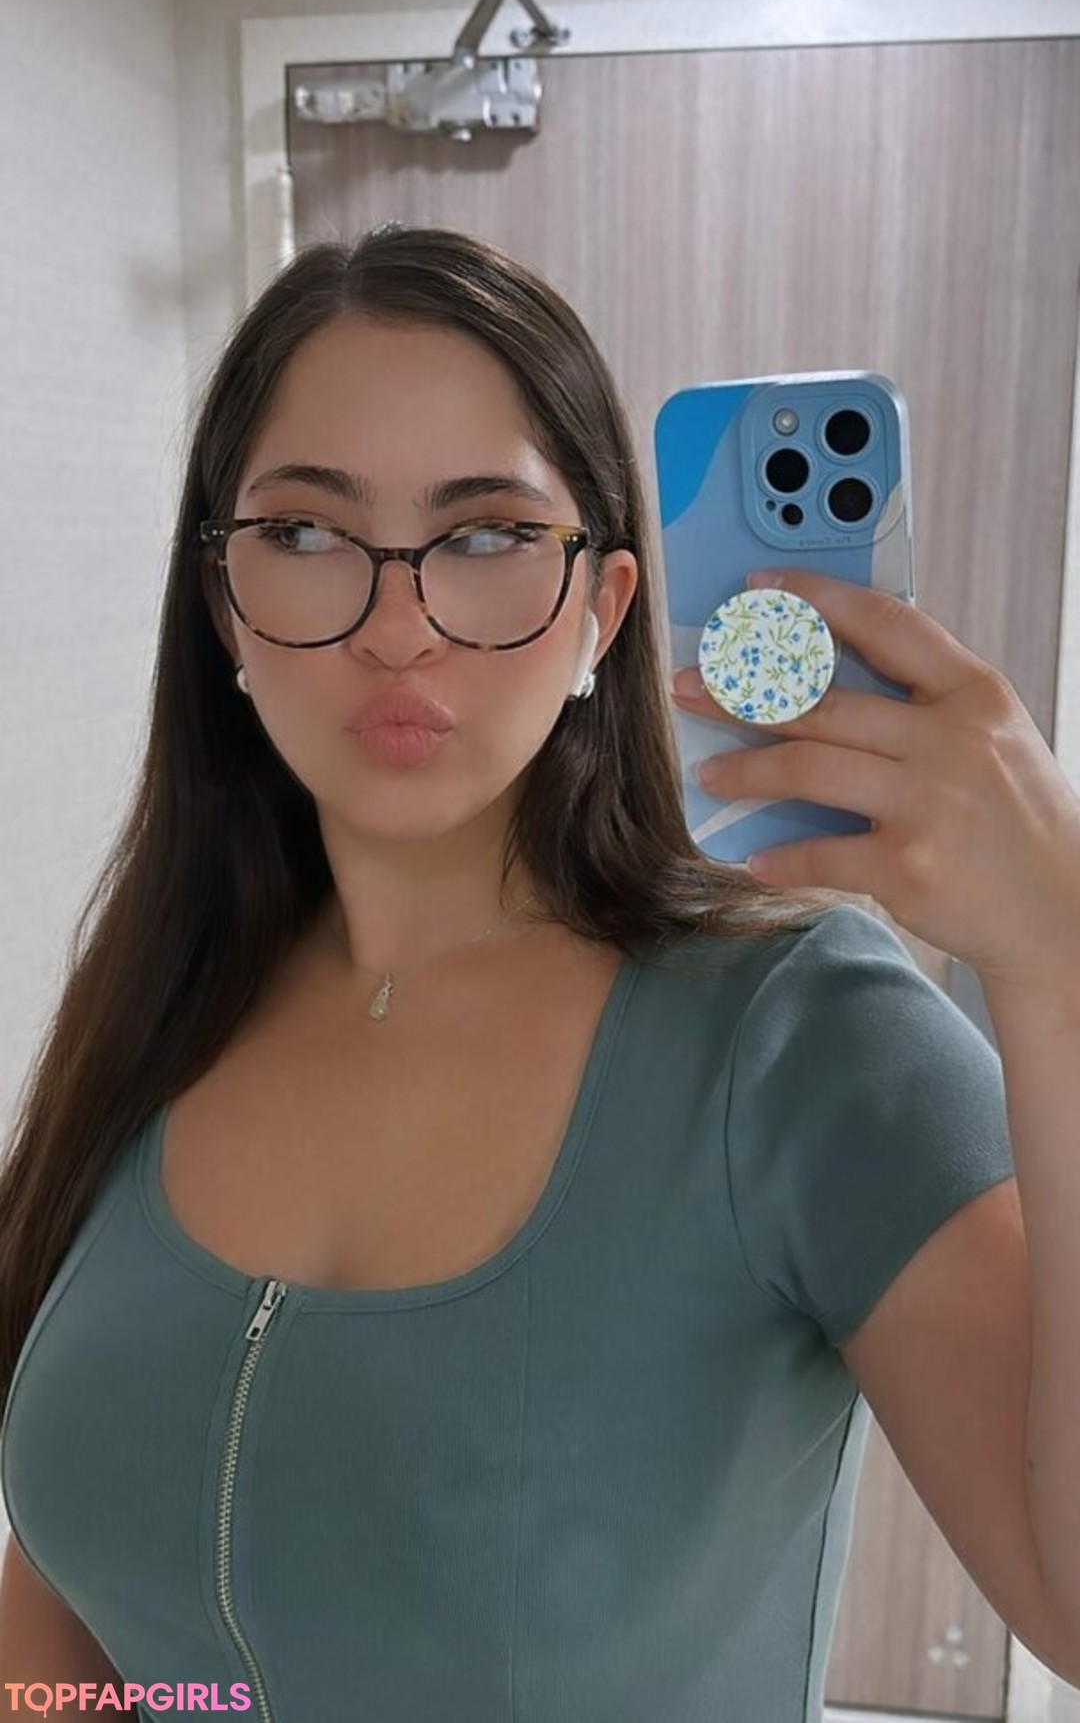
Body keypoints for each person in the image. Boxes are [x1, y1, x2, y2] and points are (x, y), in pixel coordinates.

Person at [0, 227, 1020, 1720]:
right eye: (305, 532)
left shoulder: (802, 1030)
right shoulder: (164, 1004)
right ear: (224, 603)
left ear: (602, 610)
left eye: (485, 538)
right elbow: (73, 1600)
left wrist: (1053, 949)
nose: (397, 628)